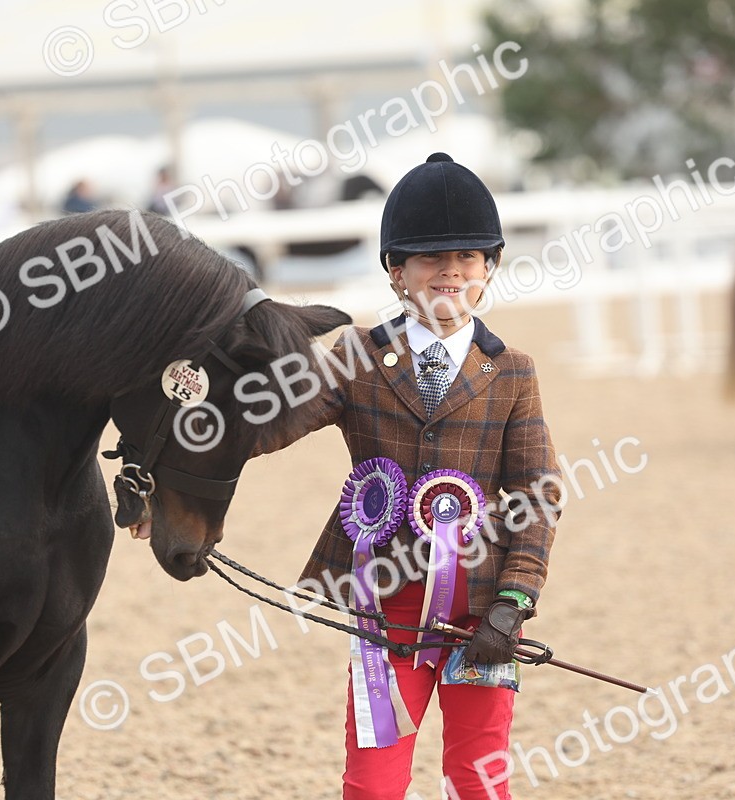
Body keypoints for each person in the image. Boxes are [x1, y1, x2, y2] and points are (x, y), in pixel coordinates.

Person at [252, 153, 562, 798]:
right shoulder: (357, 358)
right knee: (372, 781)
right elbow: (273, 424)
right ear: (396, 272)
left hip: (482, 613)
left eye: (467, 259)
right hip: (385, 606)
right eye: (429, 260)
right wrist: (192, 431)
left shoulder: (513, 373)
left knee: (478, 778)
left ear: (489, 269)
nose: (450, 272)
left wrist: (513, 604)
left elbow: (538, 494)